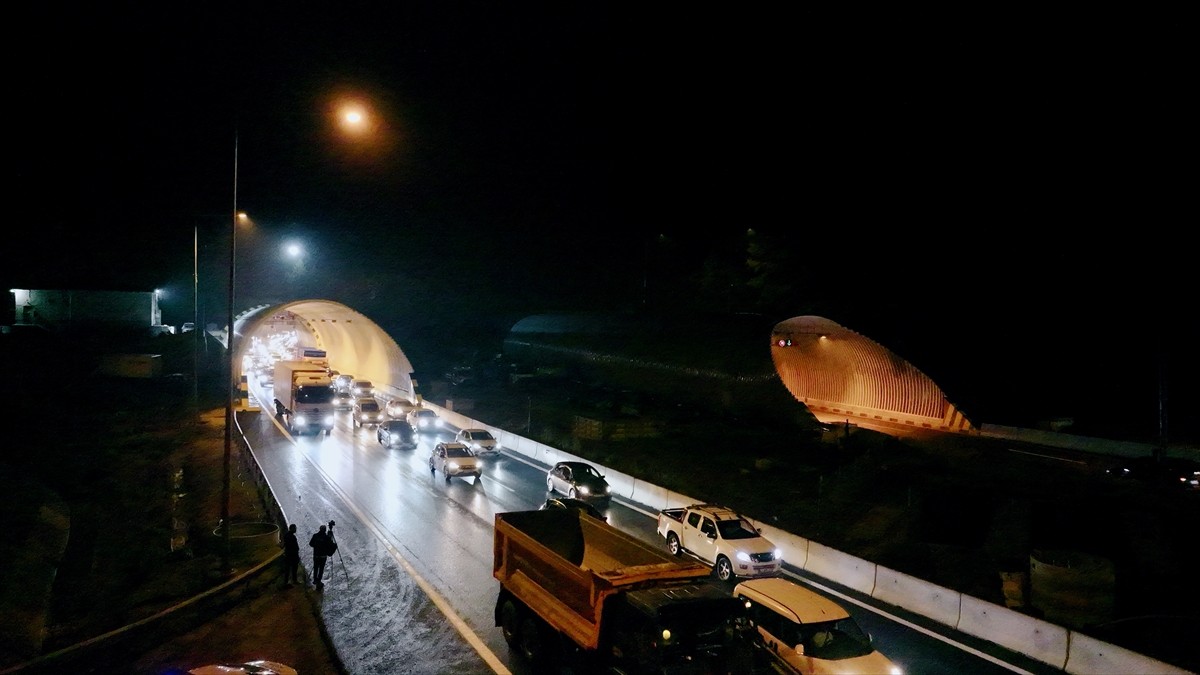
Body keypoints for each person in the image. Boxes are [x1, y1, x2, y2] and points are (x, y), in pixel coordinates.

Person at [308, 524, 336, 589]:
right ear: (325, 530)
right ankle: (319, 581)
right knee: (321, 569)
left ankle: (315, 580)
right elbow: (331, 545)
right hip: (323, 556)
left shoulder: (315, 536)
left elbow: (311, 544)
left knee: (315, 568)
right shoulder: (327, 537)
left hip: (316, 555)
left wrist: (316, 546)